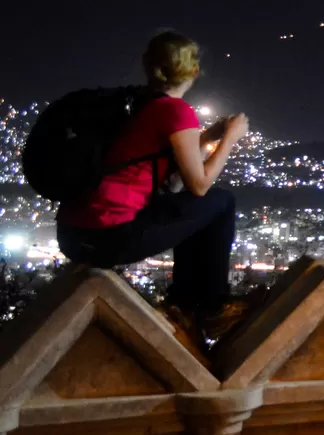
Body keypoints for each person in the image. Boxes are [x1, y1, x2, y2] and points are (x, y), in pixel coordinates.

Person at [56, 31, 251, 340]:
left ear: (148, 66)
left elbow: (175, 186)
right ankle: (213, 307)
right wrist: (230, 139)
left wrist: (204, 140)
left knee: (195, 209)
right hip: (111, 236)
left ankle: (185, 304)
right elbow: (199, 186)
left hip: (73, 235)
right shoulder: (174, 111)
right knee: (221, 201)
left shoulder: (134, 106)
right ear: (195, 72)